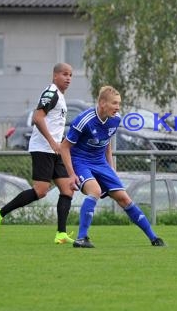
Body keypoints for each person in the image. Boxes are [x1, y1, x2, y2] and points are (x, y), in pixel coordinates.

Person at [59, 86, 165, 248]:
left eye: (119, 103)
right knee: (94, 191)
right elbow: (64, 147)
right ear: (102, 103)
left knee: (124, 199)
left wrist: (112, 169)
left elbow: (106, 143)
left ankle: (154, 238)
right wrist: (71, 174)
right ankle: (82, 238)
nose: (118, 107)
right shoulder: (84, 120)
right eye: (114, 103)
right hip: (80, 162)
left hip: (100, 163)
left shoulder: (115, 119)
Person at [0, 63, 76, 244]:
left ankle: (60, 234)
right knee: (40, 191)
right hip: (43, 148)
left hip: (54, 150)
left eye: (70, 75)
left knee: (67, 189)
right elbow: (37, 118)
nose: (68, 78)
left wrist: (57, 144)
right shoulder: (51, 93)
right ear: (55, 76)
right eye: (64, 74)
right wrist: (52, 142)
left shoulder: (59, 96)